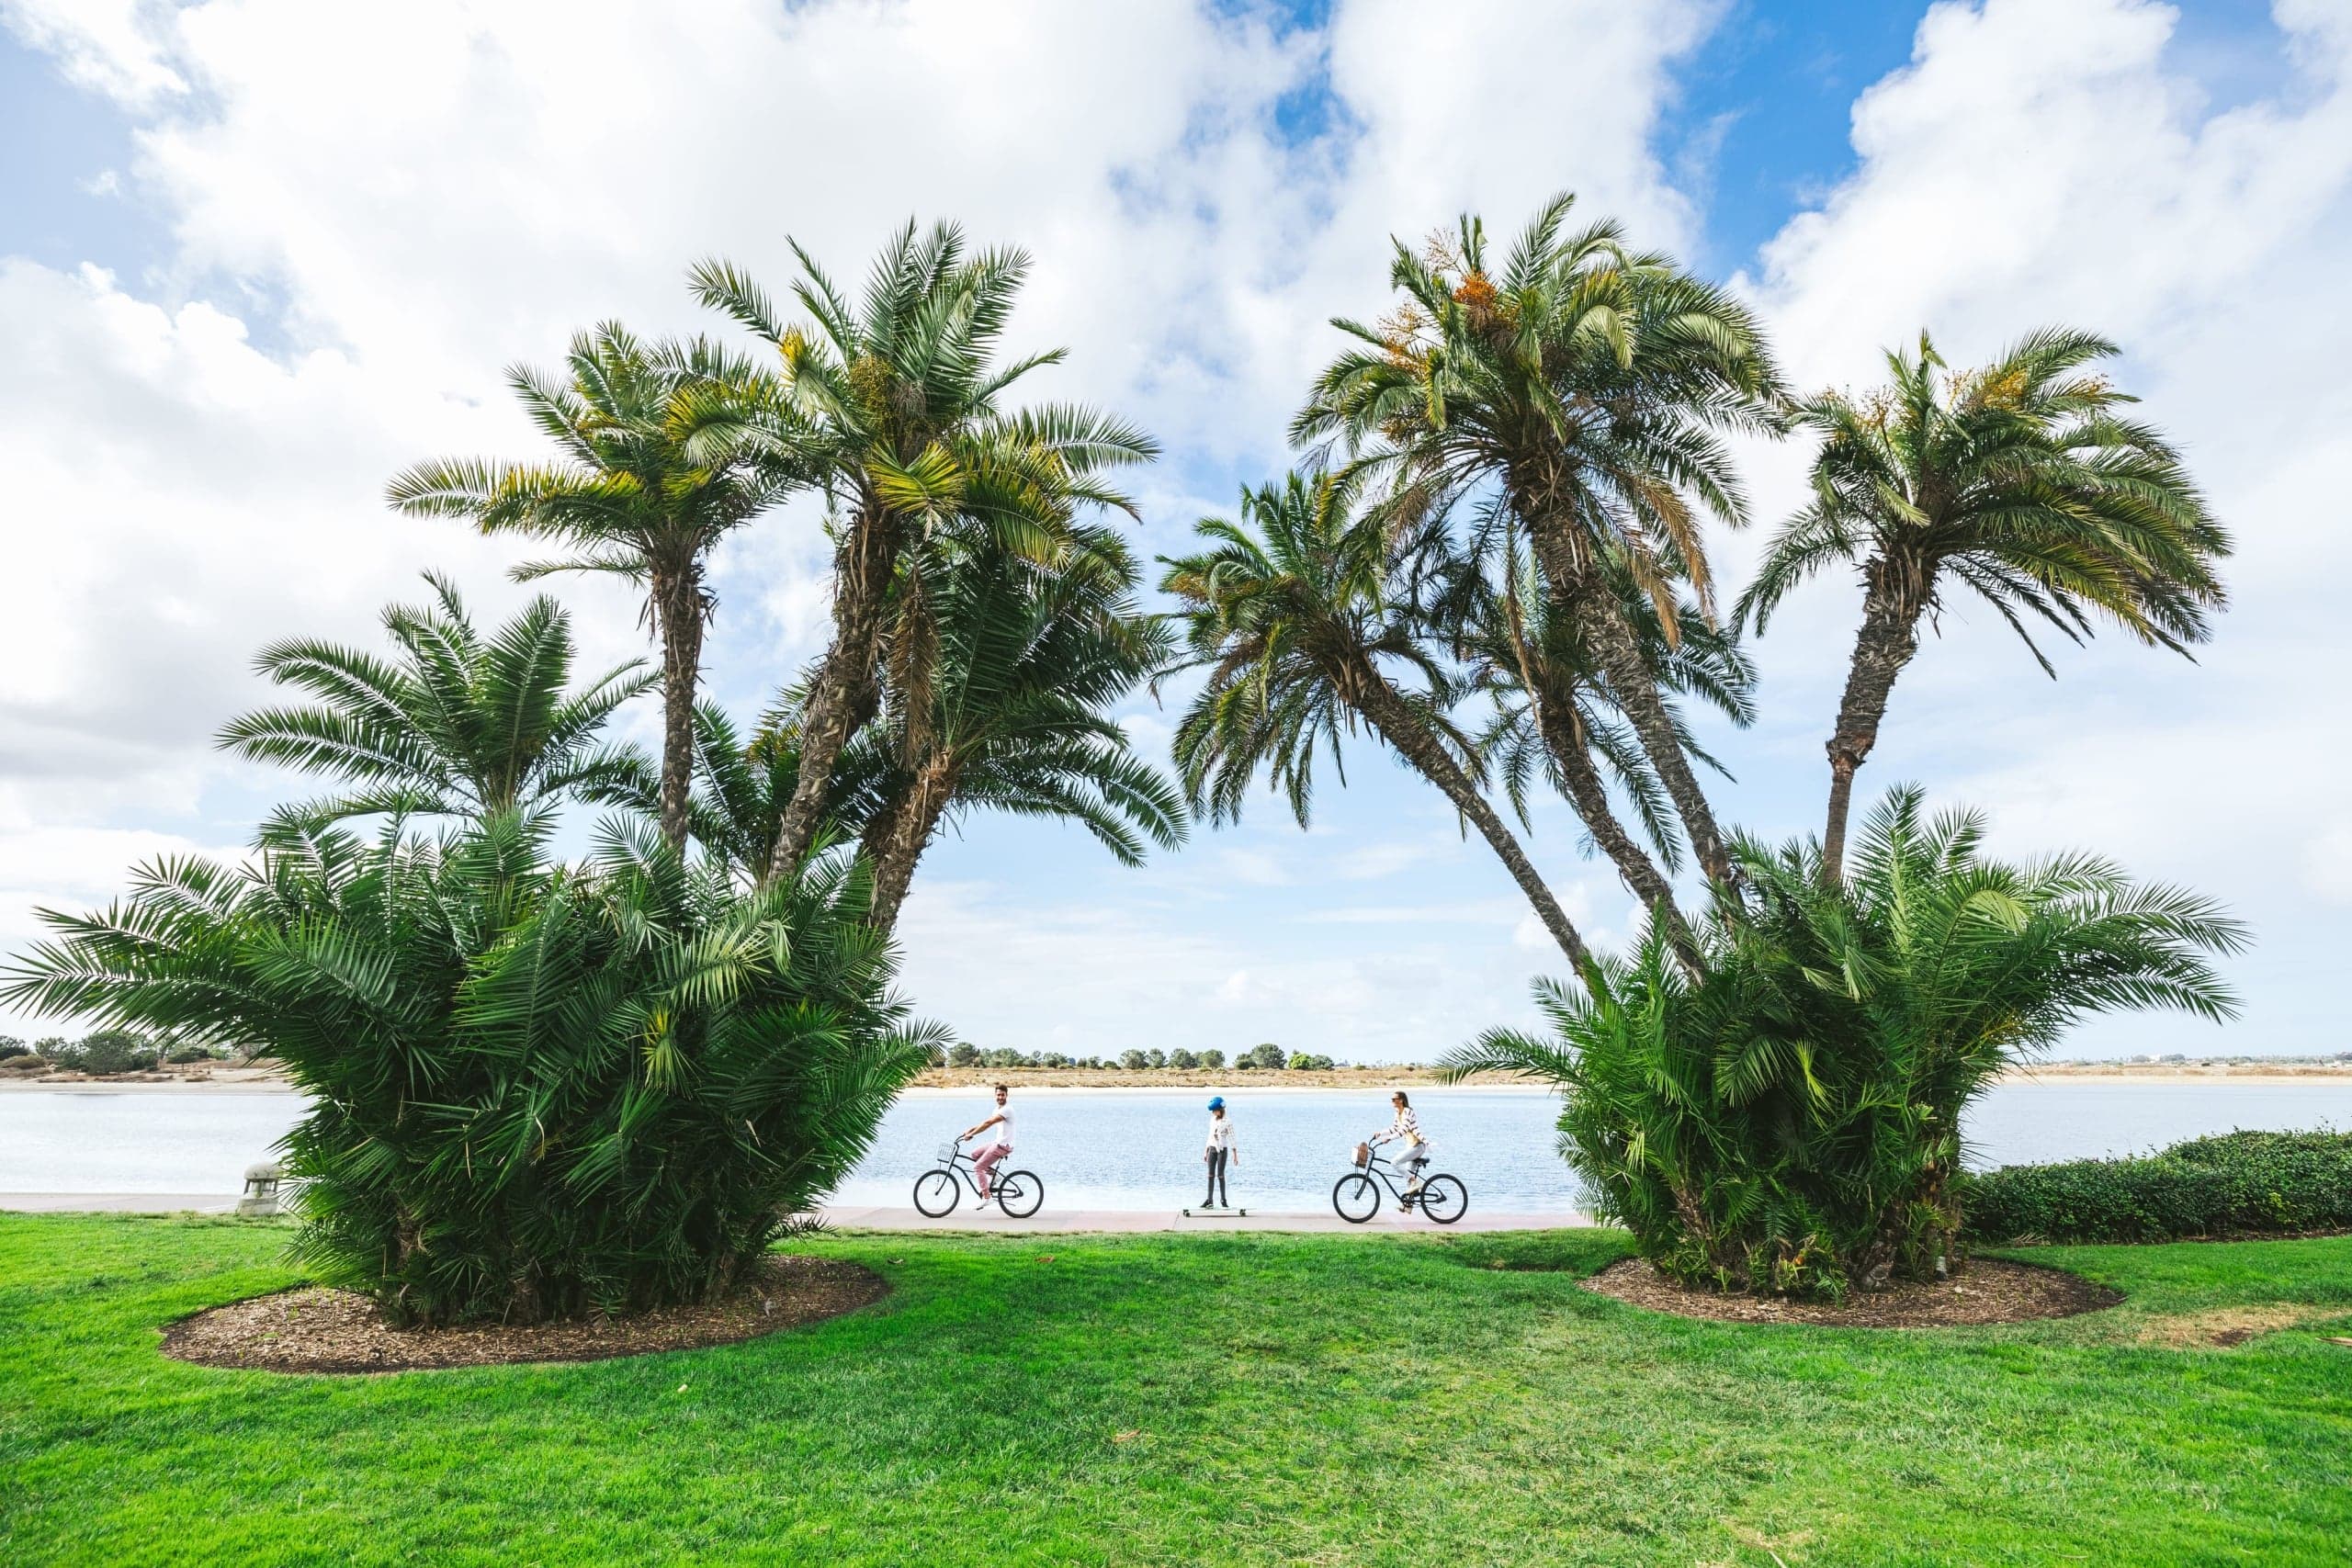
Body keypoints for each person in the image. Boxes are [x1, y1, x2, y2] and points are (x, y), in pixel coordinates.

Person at [1368, 1090, 1429, 1212]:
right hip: (1411, 1146)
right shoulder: (1398, 1112)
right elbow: (1394, 1128)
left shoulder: (1408, 1112)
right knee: (1408, 1176)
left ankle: (1416, 1182)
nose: (1392, 1101)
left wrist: (1389, 1139)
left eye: (1394, 1099)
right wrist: (1380, 1133)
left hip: (1418, 1146)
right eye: (1392, 1099)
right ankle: (1408, 1206)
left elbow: (1404, 1130)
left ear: (1401, 1100)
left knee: (1395, 1163)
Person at [961, 1084, 1014, 1201]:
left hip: (1003, 1146)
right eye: (998, 1095)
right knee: (975, 1155)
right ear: (995, 1096)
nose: (1000, 1097)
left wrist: (971, 1134)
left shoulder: (1007, 1110)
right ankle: (994, 1176)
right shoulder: (997, 1109)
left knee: (978, 1168)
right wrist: (971, 1130)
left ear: (1007, 1095)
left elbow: (988, 1124)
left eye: (1002, 1095)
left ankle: (986, 1197)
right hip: (998, 1142)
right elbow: (987, 1122)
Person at [1203, 1096, 1238, 1208]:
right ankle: (1209, 1200)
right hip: (1212, 1149)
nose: (1213, 1113)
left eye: (1214, 1110)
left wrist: (1235, 1155)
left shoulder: (1227, 1121)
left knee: (1220, 1175)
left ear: (1220, 1110)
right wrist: (1206, 1151)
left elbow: (1232, 1138)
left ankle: (1223, 1200)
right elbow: (1210, 1136)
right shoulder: (1212, 1120)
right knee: (1210, 1175)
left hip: (1222, 1150)